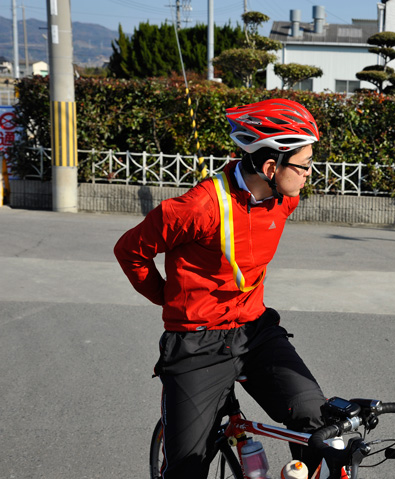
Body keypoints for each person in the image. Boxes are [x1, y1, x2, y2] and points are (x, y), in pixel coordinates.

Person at [114, 99, 327, 478]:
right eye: (305, 164)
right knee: (188, 468)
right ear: (269, 167)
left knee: (317, 420)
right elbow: (130, 251)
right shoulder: (198, 207)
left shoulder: (286, 198)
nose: (312, 172)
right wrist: (170, 299)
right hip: (198, 344)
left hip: (255, 331)